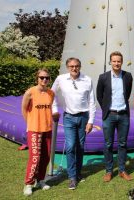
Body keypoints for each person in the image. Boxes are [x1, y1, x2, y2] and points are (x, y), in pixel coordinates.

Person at [52, 57, 96, 190]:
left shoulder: (87, 80)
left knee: (80, 146)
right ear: (67, 67)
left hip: (83, 117)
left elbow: (92, 101)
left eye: (76, 66)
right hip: (69, 117)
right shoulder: (61, 79)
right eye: (71, 66)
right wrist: (54, 109)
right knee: (70, 146)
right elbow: (51, 94)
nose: (74, 68)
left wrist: (91, 121)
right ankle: (72, 177)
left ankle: (78, 173)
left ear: (80, 67)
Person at [96, 51, 133, 182]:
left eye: (119, 61)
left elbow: (127, 93)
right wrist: (106, 108)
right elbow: (99, 95)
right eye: (114, 61)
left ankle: (122, 170)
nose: (116, 63)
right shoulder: (103, 77)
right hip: (109, 115)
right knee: (108, 144)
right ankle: (109, 171)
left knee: (123, 144)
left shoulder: (128, 76)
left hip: (123, 115)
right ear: (110, 62)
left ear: (121, 62)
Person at [21, 68, 54, 196]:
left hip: (47, 129)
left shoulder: (51, 93)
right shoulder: (30, 92)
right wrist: (30, 123)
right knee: (35, 157)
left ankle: (40, 180)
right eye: (42, 77)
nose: (44, 80)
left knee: (45, 157)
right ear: (37, 78)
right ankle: (28, 184)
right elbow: (24, 109)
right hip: (34, 129)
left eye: (47, 78)